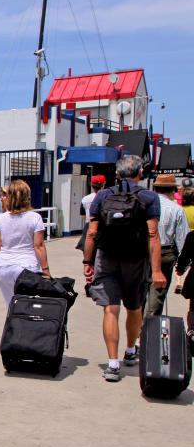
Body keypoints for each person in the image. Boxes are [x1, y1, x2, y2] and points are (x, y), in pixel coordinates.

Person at [83, 154, 166, 382]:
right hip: (135, 260)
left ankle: (112, 364)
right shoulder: (149, 197)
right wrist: (157, 270)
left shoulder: (102, 196)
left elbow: (92, 232)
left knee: (110, 309)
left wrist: (87, 262)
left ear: (117, 174)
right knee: (134, 307)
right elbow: (153, 234)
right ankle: (130, 350)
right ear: (140, 173)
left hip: (107, 258)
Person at [0, 180, 50, 309]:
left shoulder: (1, 218)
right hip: (27, 267)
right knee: (27, 307)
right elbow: (39, 246)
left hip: (5, 268)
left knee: (10, 306)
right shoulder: (35, 218)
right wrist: (45, 270)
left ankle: (11, 328)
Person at [147, 173, 188, 316]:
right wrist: (182, 266)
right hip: (165, 253)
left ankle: (140, 327)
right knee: (157, 296)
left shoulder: (143, 205)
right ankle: (148, 330)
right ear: (172, 190)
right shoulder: (176, 209)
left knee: (139, 293)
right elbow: (183, 240)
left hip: (142, 252)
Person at [76, 175, 107, 252]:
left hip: (88, 227)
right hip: (102, 228)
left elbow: (83, 216)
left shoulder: (85, 199)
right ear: (103, 185)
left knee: (87, 254)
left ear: (92, 186)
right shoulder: (106, 198)